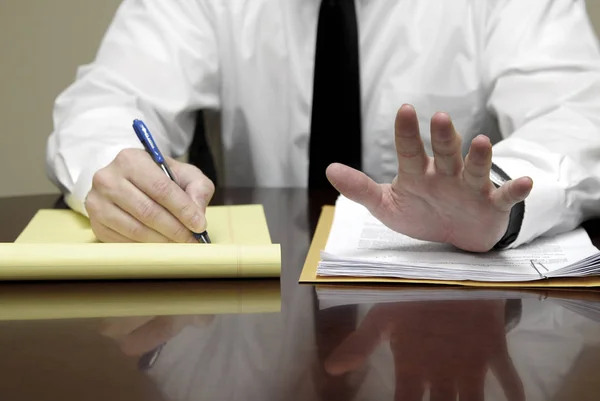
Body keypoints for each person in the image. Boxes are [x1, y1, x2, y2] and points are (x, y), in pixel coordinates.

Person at [46, 0, 600, 252]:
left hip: (456, 310)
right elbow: (110, 97)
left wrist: (501, 198)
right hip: (258, 311)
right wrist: (120, 167)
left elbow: (583, 111)